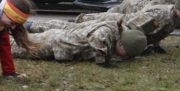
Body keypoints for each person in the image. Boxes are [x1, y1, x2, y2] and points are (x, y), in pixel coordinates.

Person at [73, 0, 180, 52]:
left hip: (146, 11)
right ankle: (80, 21)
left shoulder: (171, 14)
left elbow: (158, 28)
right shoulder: (162, 9)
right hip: (133, 5)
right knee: (110, 20)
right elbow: (147, 24)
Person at [14, 20, 147, 64]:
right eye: (126, 54)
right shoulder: (106, 33)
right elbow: (97, 39)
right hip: (55, 43)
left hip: (61, 41)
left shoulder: (120, 34)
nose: (124, 57)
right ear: (121, 43)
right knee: (15, 46)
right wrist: (103, 61)